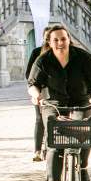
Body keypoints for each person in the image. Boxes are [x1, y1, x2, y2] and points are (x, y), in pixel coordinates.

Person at [27, 24, 91, 181]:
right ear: (49, 42)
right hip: (54, 103)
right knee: (54, 143)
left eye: (63, 39)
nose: (60, 43)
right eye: (55, 40)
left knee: (84, 132)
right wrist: (37, 96)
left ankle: (82, 167)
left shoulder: (82, 57)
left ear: (68, 39)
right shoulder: (43, 60)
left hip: (82, 100)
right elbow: (33, 83)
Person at [26, 27, 52, 162]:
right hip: (40, 91)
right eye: (47, 37)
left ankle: (50, 148)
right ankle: (37, 150)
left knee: (53, 120)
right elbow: (28, 74)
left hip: (56, 92)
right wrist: (36, 89)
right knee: (39, 119)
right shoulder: (37, 52)